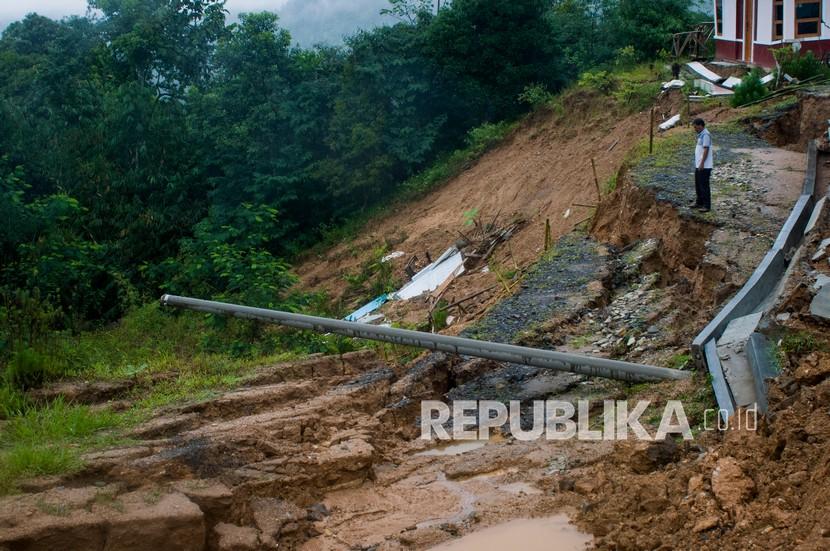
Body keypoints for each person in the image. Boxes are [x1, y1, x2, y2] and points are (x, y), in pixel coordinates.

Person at [692, 118, 713, 212]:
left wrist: (702, 163)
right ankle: (699, 202)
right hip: (699, 165)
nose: (695, 129)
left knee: (704, 186)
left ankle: (706, 206)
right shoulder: (701, 135)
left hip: (704, 166)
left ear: (700, 125)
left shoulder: (706, 135)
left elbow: (706, 149)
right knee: (698, 184)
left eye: (696, 127)